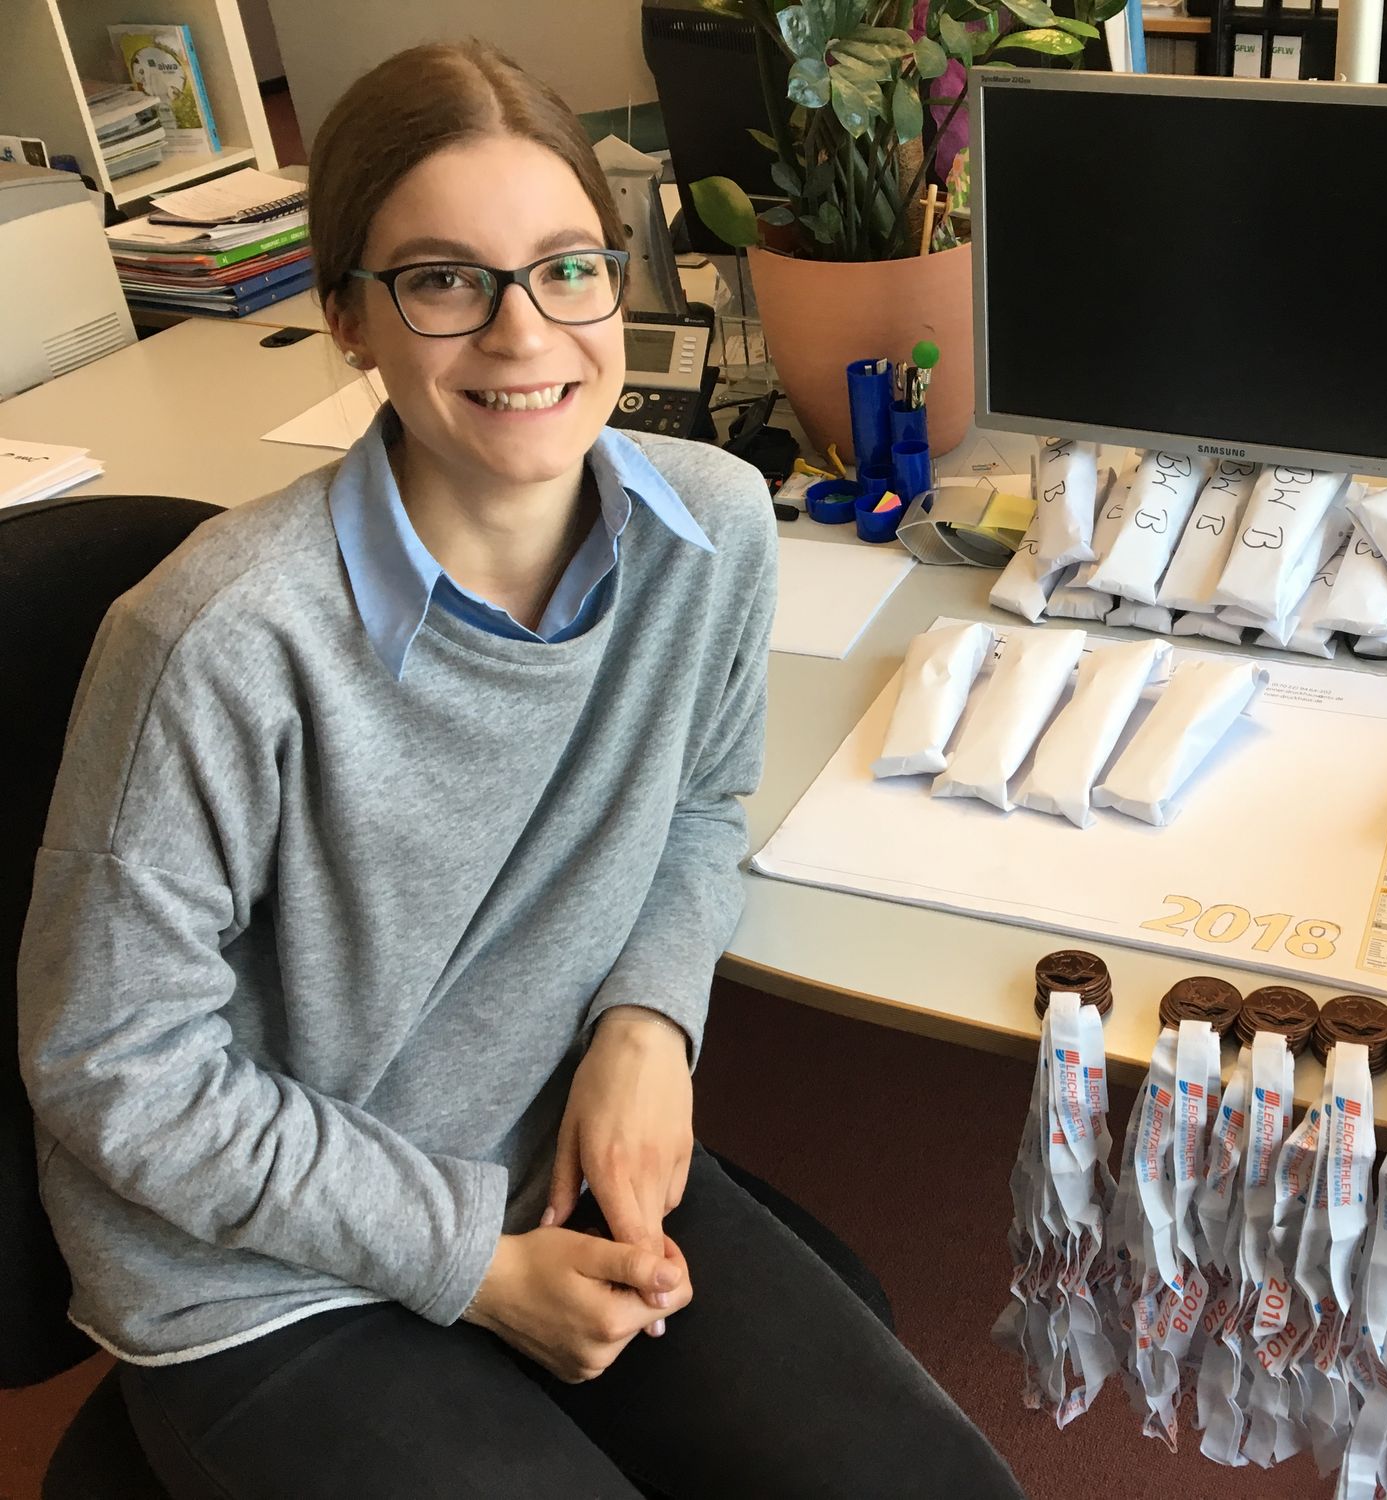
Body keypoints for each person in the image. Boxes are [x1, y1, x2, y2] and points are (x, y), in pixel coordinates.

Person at [16, 40, 1024, 1500]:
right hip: (261, 1266)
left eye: (566, 268)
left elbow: (698, 803)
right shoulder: (218, 643)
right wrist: (472, 1268)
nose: (523, 332)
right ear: (349, 319)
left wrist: (649, 1025)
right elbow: (116, 1068)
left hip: (546, 1154)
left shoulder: (714, 530)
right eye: (444, 280)